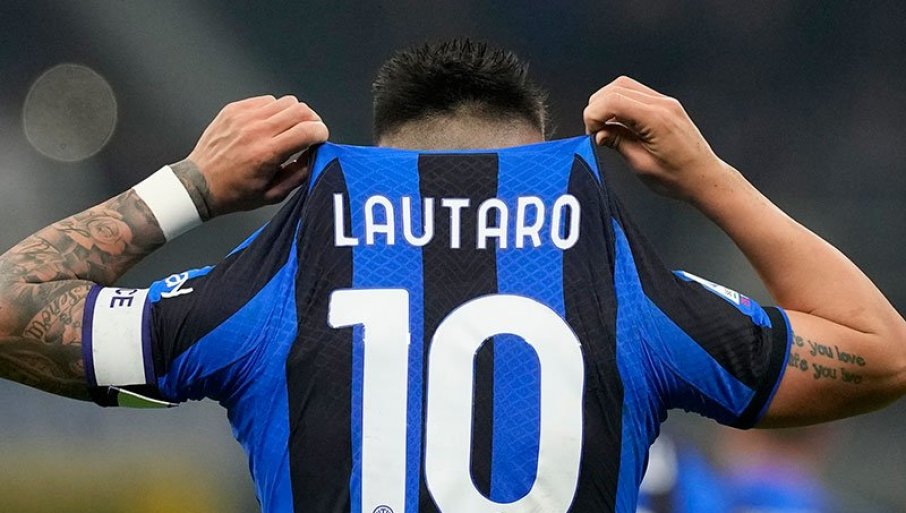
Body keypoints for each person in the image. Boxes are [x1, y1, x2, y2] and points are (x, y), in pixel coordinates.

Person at [1, 38, 904, 513]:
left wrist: (193, 184)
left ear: (389, 153)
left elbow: (10, 309)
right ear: (535, 154)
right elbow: (881, 348)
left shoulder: (277, 284)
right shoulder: (625, 287)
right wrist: (705, 175)